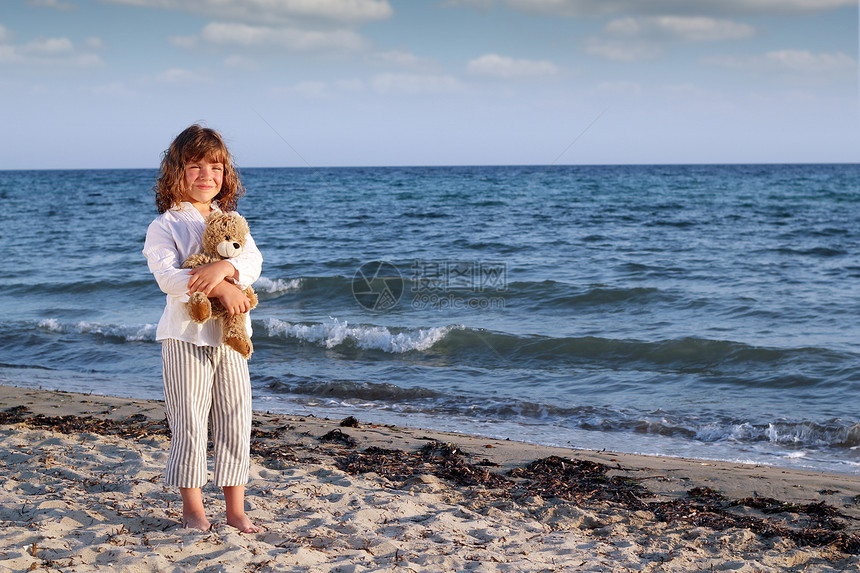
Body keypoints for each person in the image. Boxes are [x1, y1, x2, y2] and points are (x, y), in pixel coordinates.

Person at [142, 124, 263, 533]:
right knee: (190, 421)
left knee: (235, 418)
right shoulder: (166, 225)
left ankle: (235, 509)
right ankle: (193, 509)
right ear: (175, 172)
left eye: (215, 166)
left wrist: (227, 268)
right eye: (194, 166)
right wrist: (223, 287)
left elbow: (253, 264)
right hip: (184, 337)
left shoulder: (232, 221)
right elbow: (169, 279)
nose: (206, 175)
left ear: (226, 174)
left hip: (232, 338)